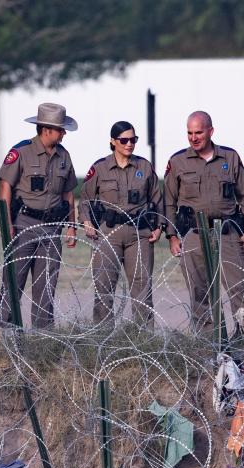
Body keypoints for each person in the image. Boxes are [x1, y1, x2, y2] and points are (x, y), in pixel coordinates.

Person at [164, 111, 244, 333]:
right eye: (189, 133)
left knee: (241, 290)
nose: (193, 138)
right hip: (194, 235)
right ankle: (209, 343)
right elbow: (169, 202)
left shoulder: (230, 158)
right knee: (200, 294)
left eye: (198, 132)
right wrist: (172, 236)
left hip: (227, 234)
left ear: (210, 131)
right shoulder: (177, 162)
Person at [0, 102, 79, 329]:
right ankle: (6, 332)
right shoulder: (21, 152)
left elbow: (68, 194)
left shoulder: (64, 156)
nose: (63, 133)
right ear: (46, 129)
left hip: (52, 228)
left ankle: (44, 339)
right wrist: (7, 224)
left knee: (46, 287)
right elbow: (5, 188)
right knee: (14, 281)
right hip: (24, 225)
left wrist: (71, 227)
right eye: (60, 129)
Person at [79, 120, 164, 327]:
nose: (129, 144)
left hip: (139, 233)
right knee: (104, 287)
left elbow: (157, 199)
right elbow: (85, 200)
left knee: (142, 288)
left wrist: (160, 226)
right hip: (108, 233)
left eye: (133, 139)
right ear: (113, 141)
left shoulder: (144, 166)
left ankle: (144, 340)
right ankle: (103, 338)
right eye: (124, 140)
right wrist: (86, 222)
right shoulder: (100, 168)